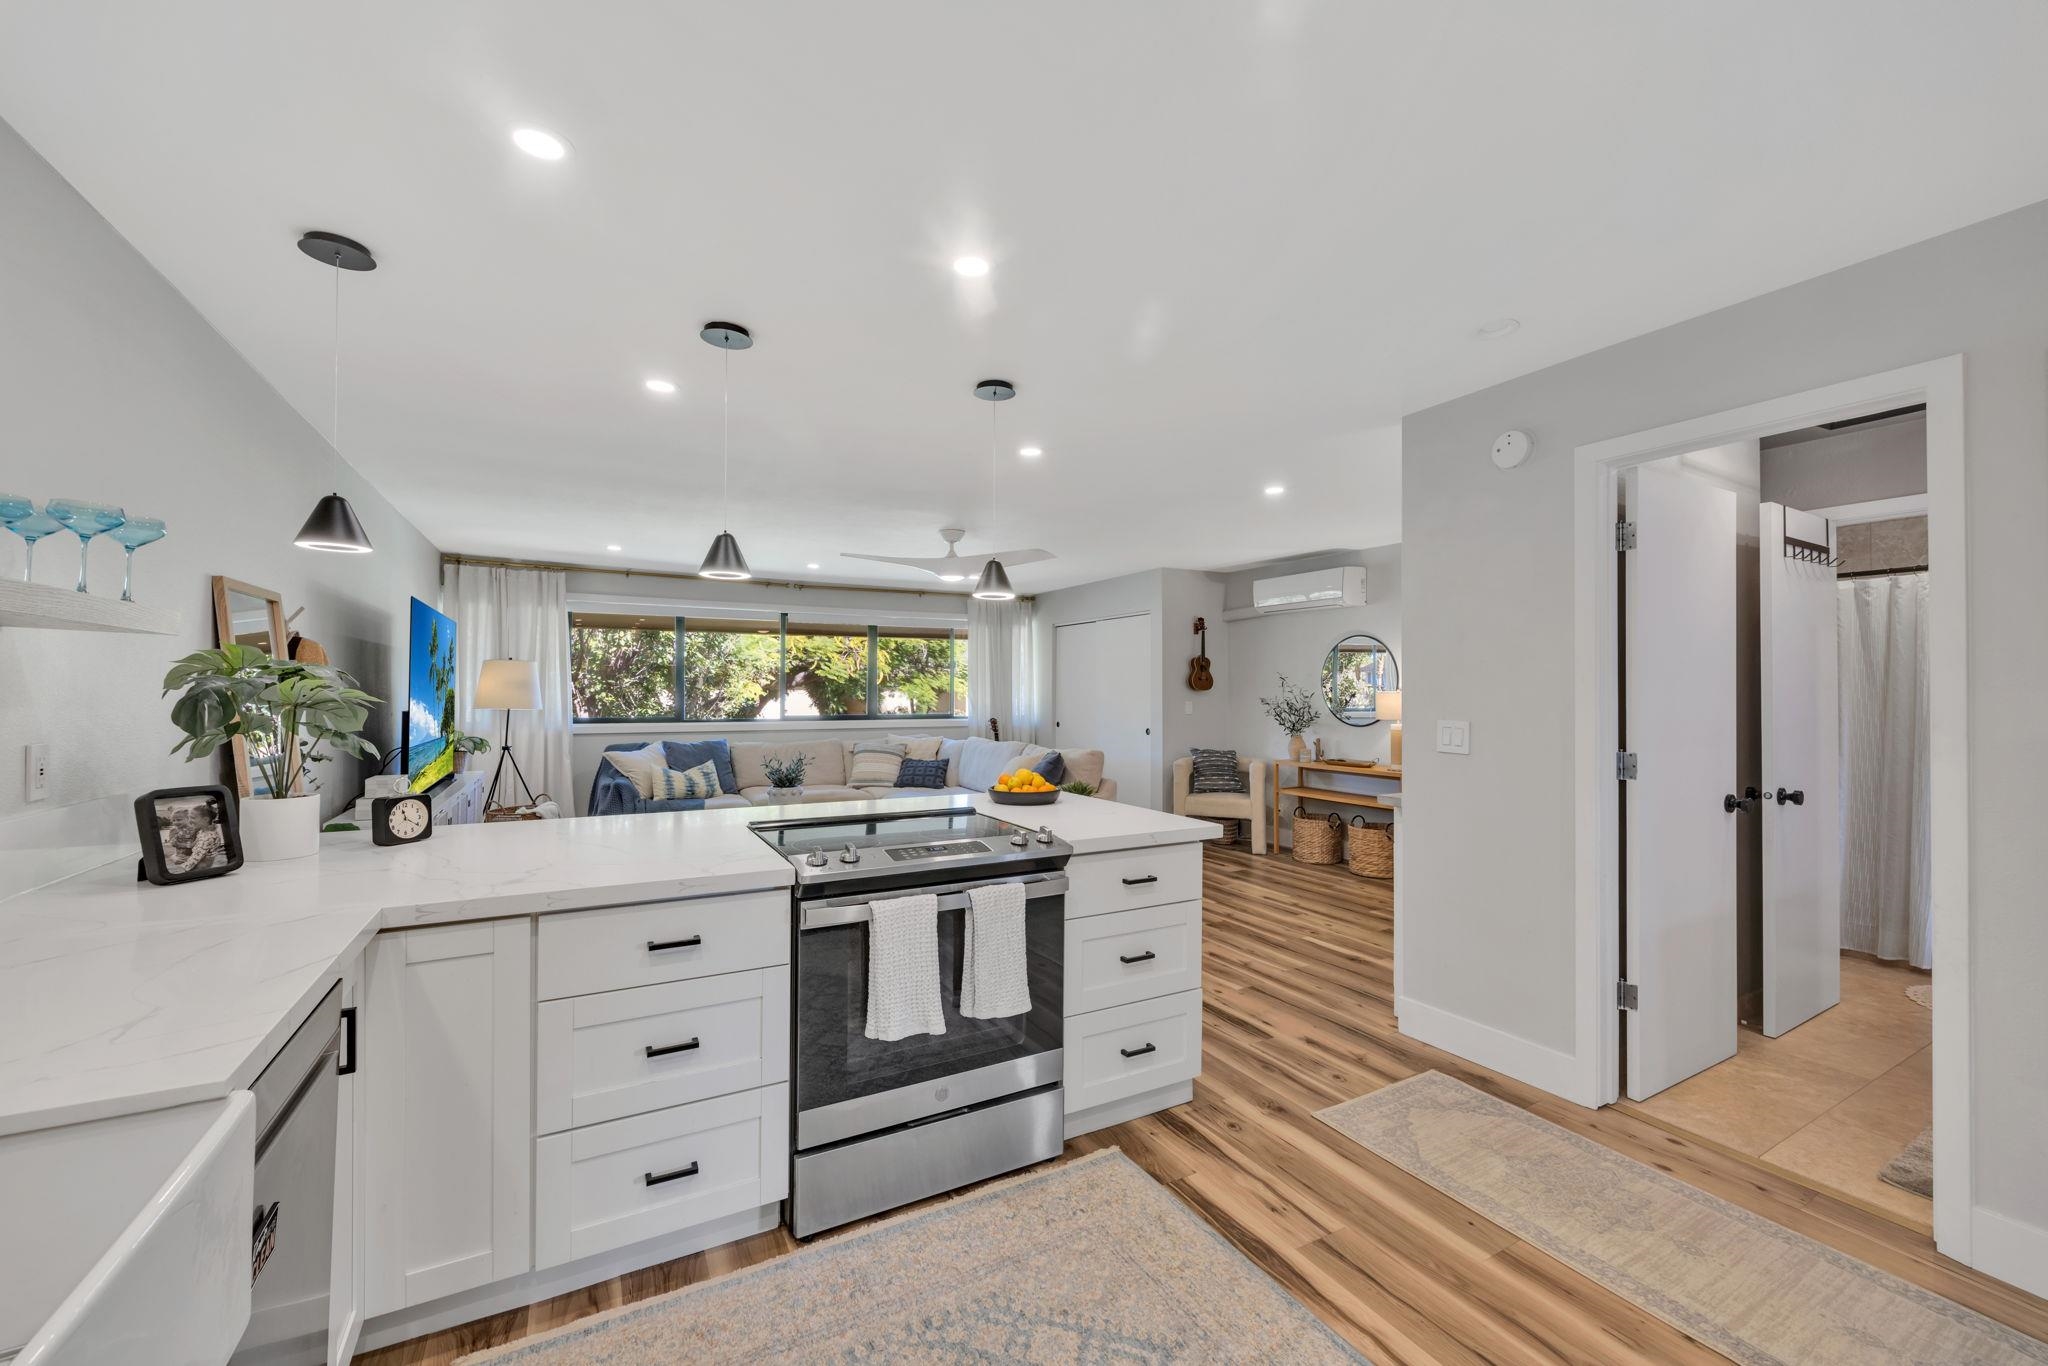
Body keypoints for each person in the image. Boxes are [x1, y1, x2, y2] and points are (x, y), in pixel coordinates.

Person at [162, 801, 226, 875]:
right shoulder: (200, 831)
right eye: (173, 820)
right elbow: (173, 842)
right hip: (183, 855)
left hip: (194, 864)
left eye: (192, 818)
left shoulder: (202, 833)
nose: (176, 822)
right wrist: (174, 856)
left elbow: (195, 859)